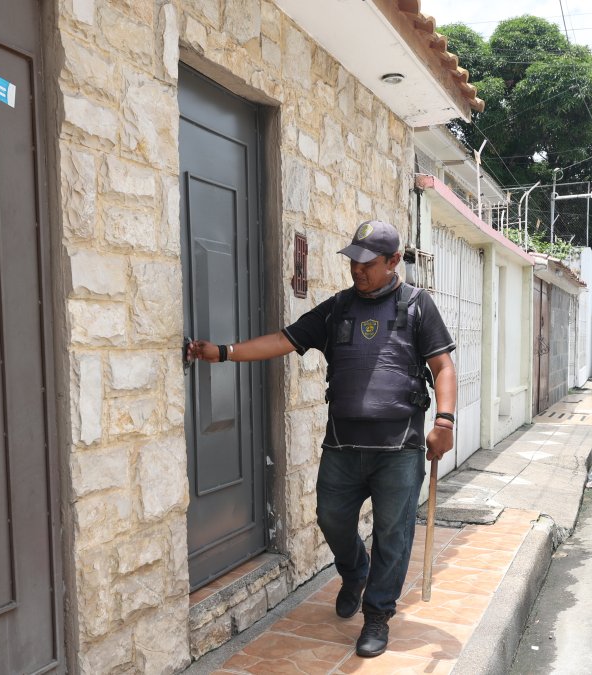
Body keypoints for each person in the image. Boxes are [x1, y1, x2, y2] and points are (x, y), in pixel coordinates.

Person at [187, 219, 456, 658]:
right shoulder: (337, 308)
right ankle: (354, 571)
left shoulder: (417, 306)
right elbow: (284, 339)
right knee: (330, 517)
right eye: (354, 262)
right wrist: (223, 352)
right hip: (343, 447)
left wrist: (444, 421)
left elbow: (443, 367)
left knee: (393, 534)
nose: (357, 270)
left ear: (393, 261)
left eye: (368, 263)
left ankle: (377, 615)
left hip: (399, 449)